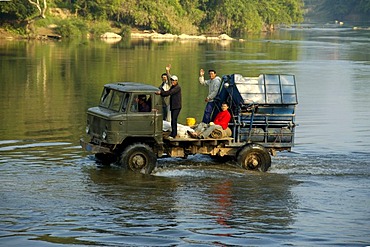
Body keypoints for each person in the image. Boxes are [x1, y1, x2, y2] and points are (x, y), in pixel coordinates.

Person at [156, 74, 182, 139]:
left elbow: (169, 92)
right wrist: (161, 93)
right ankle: (173, 132)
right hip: (173, 106)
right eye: (172, 80)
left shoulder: (177, 88)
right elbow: (167, 93)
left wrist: (161, 93)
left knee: (174, 120)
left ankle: (174, 134)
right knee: (173, 120)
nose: (172, 82)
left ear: (176, 81)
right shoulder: (173, 87)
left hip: (177, 106)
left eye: (173, 81)